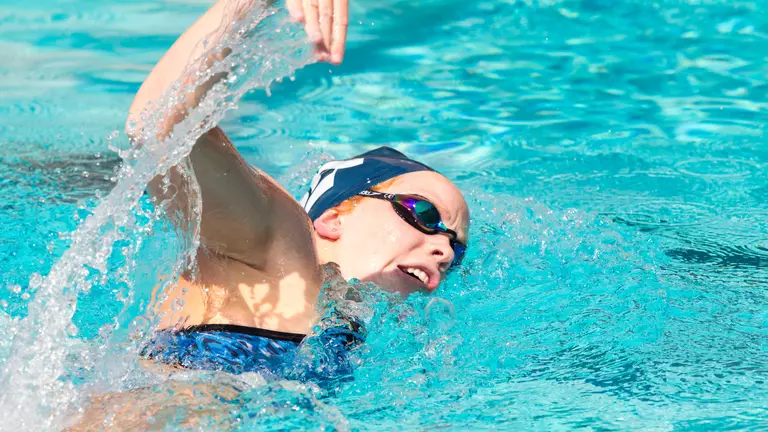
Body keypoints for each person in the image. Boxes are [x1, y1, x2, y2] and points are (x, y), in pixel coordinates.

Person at [129, 0, 470, 379]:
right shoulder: (280, 245)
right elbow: (160, 126)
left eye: (456, 249)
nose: (443, 251)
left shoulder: (349, 329)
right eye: (423, 214)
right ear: (333, 218)